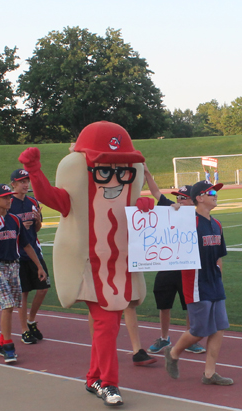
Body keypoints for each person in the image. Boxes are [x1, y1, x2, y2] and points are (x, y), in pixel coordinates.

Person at [19, 121, 150, 406]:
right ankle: (109, 383)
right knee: (106, 325)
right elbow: (50, 197)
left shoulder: (126, 196)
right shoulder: (77, 198)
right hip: (89, 269)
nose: (114, 180)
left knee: (110, 325)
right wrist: (35, 172)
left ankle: (93, 377)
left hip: (119, 269)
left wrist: (143, 207)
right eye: (104, 171)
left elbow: (137, 217)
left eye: (122, 172)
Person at [68, 145, 155, 366]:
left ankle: (136, 349)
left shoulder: (125, 175)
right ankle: (100, 348)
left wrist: (143, 206)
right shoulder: (87, 178)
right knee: (97, 301)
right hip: (95, 251)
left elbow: (133, 196)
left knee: (128, 302)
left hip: (122, 250)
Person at [164, 180, 233, 386]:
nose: (215, 194)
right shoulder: (189, 222)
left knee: (219, 327)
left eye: (216, 191)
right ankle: (174, 353)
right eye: (211, 192)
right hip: (195, 282)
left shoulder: (217, 224)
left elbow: (219, 255)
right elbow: (168, 231)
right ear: (199, 198)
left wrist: (219, 275)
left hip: (214, 282)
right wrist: (173, 212)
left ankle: (210, 374)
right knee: (199, 330)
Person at [0, 184, 47, 363]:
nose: (8, 200)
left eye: (9, 197)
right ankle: (8, 346)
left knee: (12, 305)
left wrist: (39, 267)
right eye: (4, 197)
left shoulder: (15, 220)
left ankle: (1, 340)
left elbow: (27, 245)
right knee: (7, 305)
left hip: (14, 266)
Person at [144, 165, 206, 354]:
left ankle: (190, 338)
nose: (178, 199)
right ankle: (164, 338)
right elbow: (155, 191)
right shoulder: (169, 208)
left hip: (187, 267)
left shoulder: (198, 215)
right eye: (177, 196)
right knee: (164, 303)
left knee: (189, 305)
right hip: (167, 266)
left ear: (192, 200)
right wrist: (147, 172)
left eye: (182, 197)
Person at [9, 168, 50, 344]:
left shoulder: (33, 201)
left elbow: (37, 228)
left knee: (43, 287)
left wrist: (36, 221)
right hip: (17, 254)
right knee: (23, 293)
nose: (26, 184)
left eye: (27, 181)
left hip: (34, 250)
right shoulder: (8, 204)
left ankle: (31, 320)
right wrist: (19, 226)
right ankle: (24, 330)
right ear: (13, 184)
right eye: (22, 182)